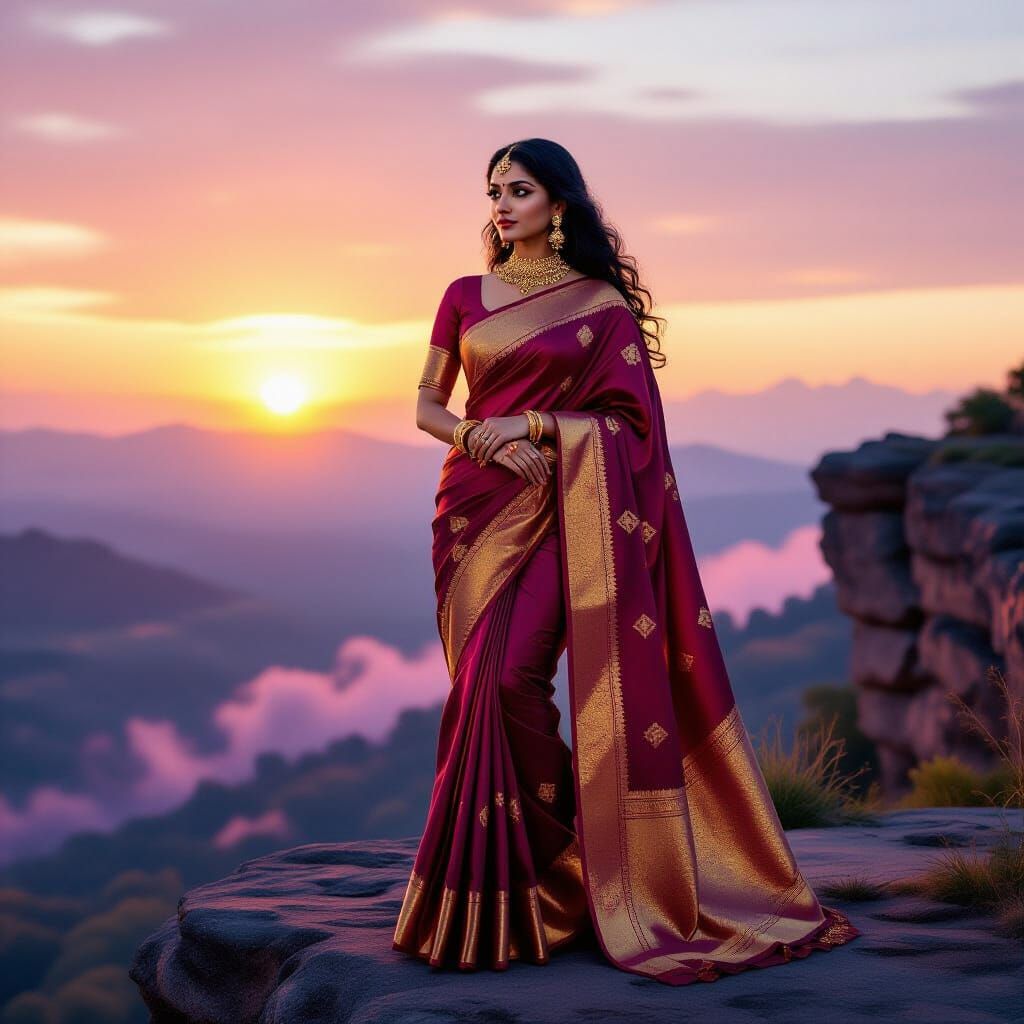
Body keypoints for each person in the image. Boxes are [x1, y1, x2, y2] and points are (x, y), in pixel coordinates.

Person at [392, 138, 860, 985]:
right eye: (493, 190)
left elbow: (634, 428)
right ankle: (527, 881)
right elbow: (425, 403)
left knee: (509, 681)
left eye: (520, 190)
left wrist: (539, 429)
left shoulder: (600, 306)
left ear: (558, 204)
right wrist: (475, 434)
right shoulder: (463, 296)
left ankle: (571, 874)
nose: (502, 204)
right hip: (471, 513)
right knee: (481, 690)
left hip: (564, 512)